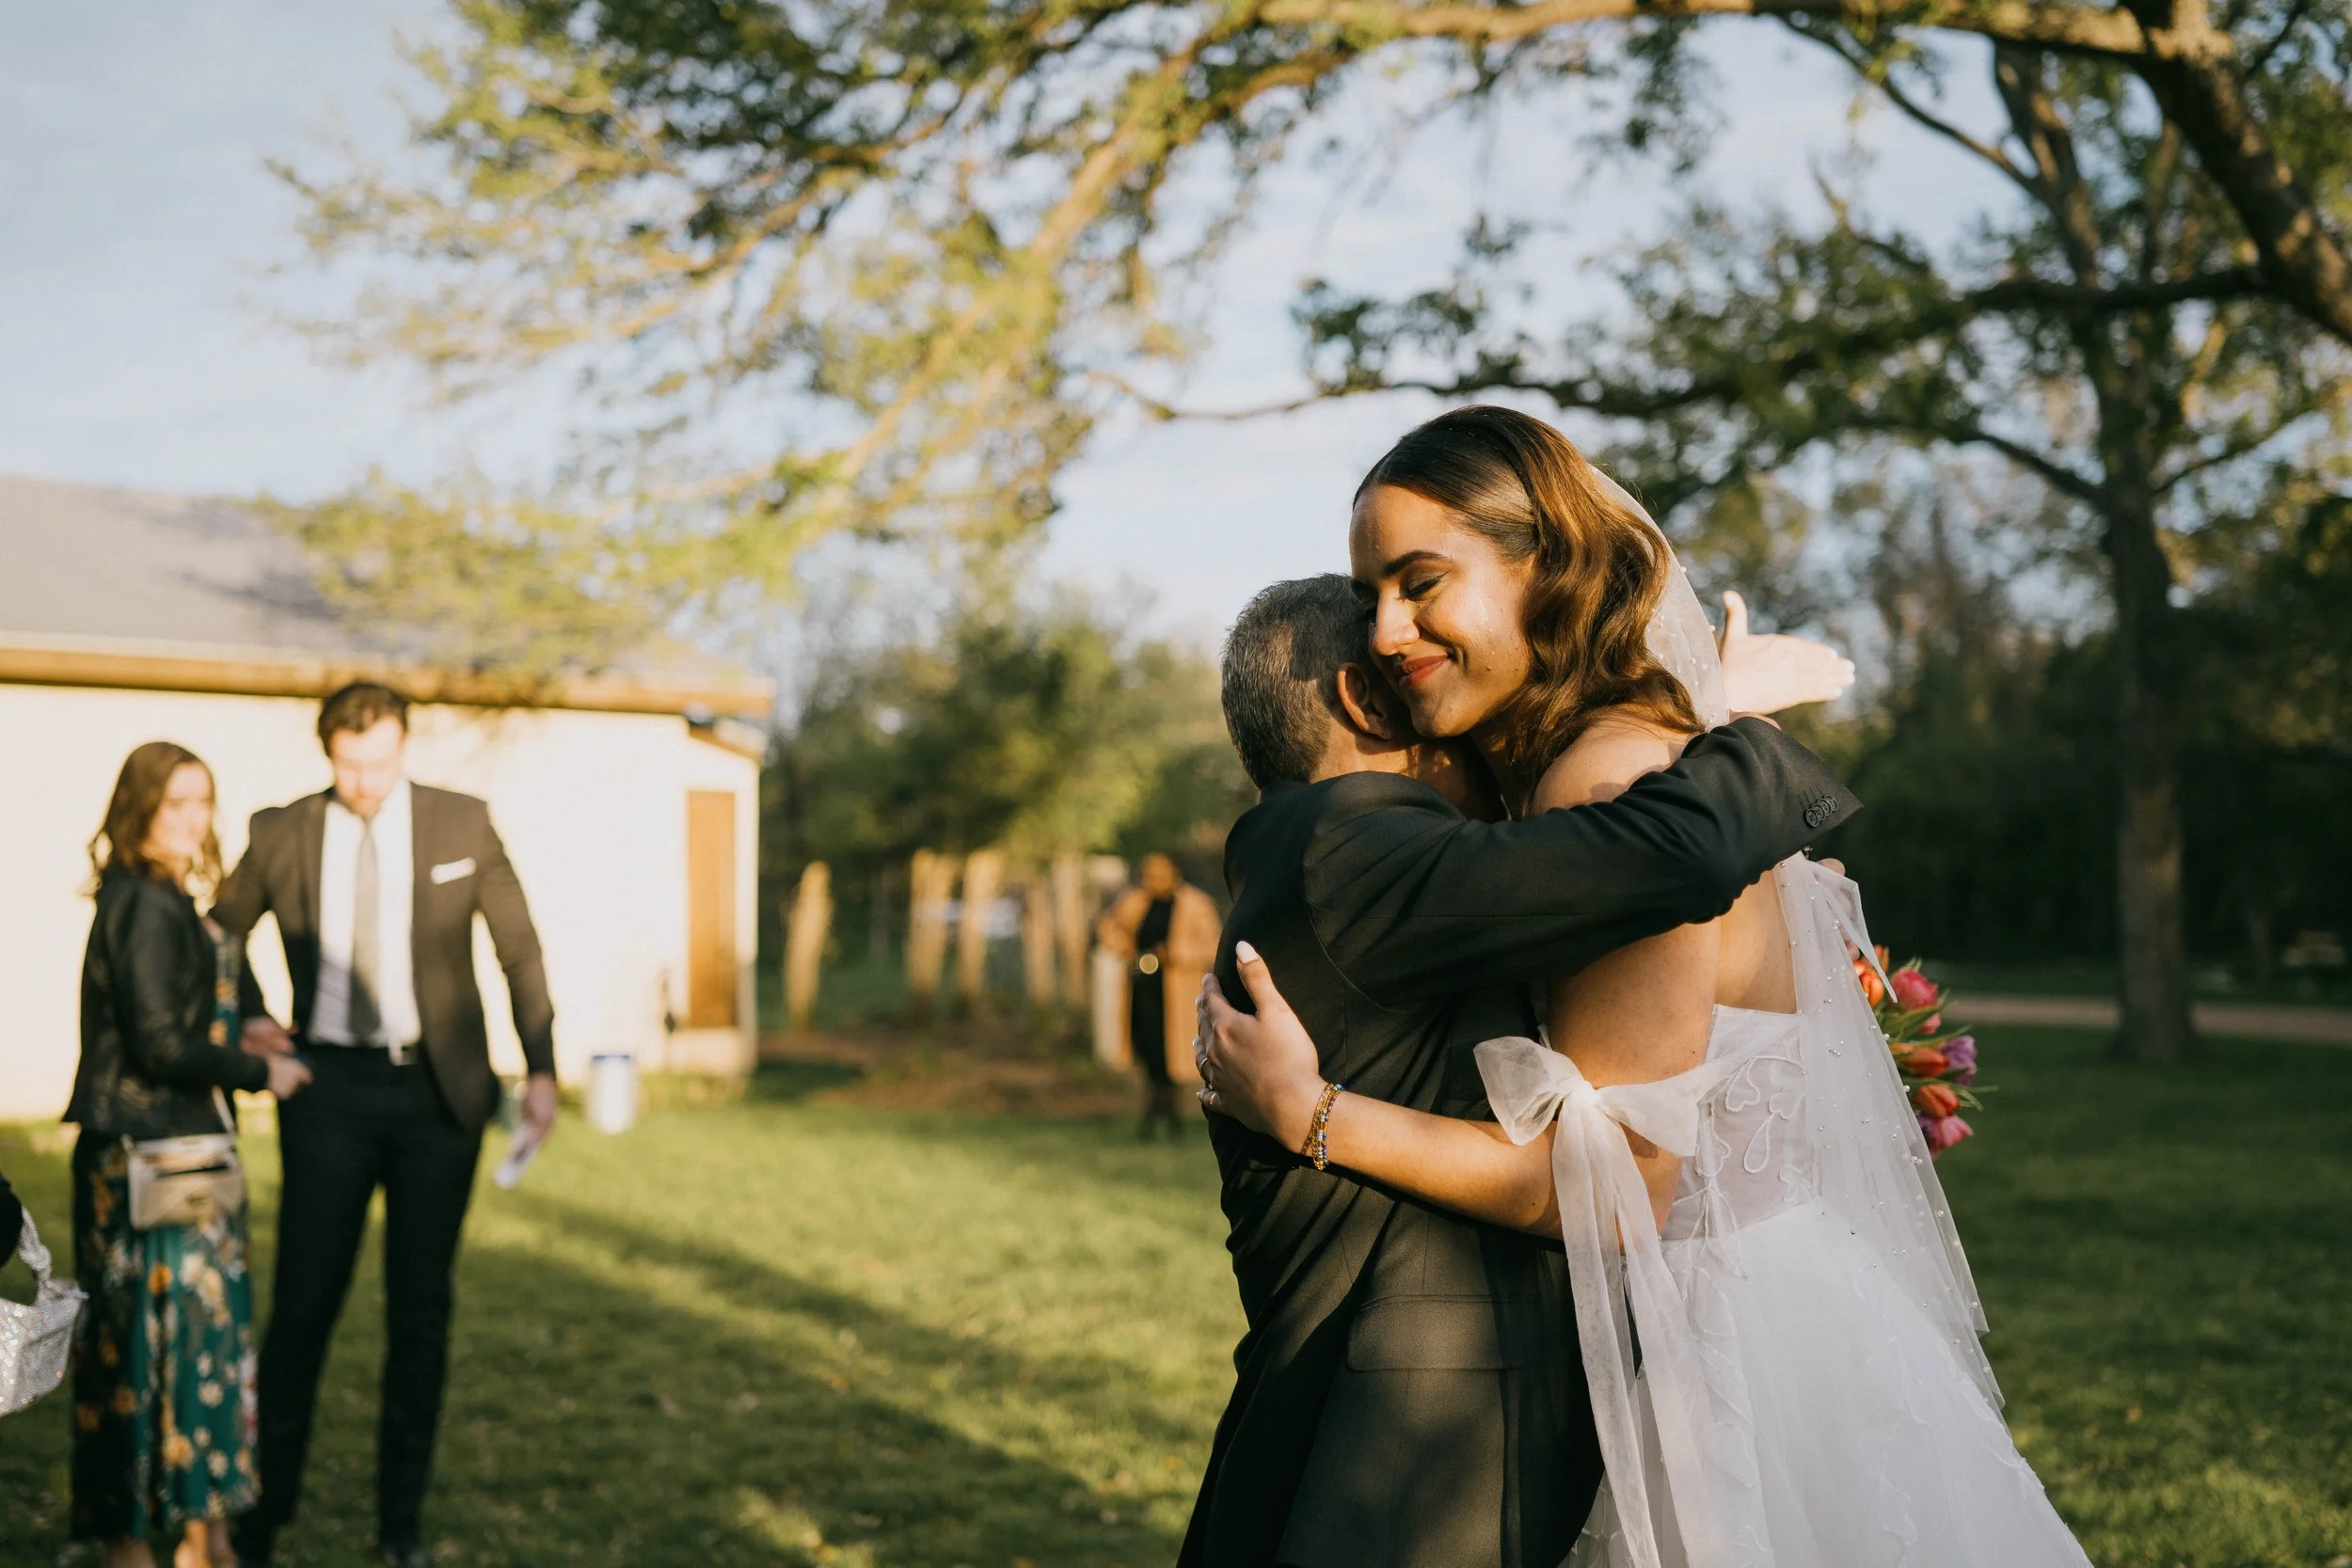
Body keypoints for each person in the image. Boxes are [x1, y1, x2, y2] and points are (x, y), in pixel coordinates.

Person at [1198, 405, 2092, 1567]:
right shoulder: (1640, 766)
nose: (1387, 629)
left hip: (1717, 1353)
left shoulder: (1609, 780)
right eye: (1374, 595)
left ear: (1546, 568)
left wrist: (1316, 1115)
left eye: (1421, 582)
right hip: (1773, 1315)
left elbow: (1626, 1181)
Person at [1180, 567, 1857, 1568]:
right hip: (1394, 1465)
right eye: (1427, 690)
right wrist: (1714, 714)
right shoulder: (1352, 845)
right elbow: (1670, 851)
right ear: (1372, 701)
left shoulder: (1313, 858)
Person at [215, 684, 560, 1568]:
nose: (367, 781)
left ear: (405, 746)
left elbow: (517, 947)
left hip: (436, 1098)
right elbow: (219, 933)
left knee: (421, 1311)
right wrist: (252, 1014)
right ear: (327, 751)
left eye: (382, 760)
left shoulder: (462, 823)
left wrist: (543, 1066)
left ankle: (399, 1524)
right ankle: (260, 1519)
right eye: (350, 762)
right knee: (302, 1310)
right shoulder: (280, 830)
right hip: (327, 1090)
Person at [62, 742, 314, 1568]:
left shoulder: (169, 894)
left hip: (182, 1152)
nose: (192, 818)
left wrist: (245, 1021)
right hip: (141, 1158)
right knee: (139, 1349)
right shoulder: (138, 900)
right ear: (137, 808)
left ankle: (204, 1535)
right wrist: (261, 1070)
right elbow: (160, 1043)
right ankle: (131, 1539)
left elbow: (181, 1006)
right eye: (173, 803)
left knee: (203, 1343)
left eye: (201, 801)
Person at [1094, 853, 1220, 1137]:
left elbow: (1211, 945)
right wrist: (1124, 947)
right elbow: (1107, 927)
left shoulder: (1196, 904)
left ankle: (1164, 1115)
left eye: (1159, 874)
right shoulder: (1135, 901)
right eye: (1148, 875)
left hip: (1175, 991)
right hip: (1143, 990)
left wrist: (1174, 954)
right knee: (1148, 1050)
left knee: (1170, 1054)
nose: (1152, 881)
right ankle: (1157, 1113)